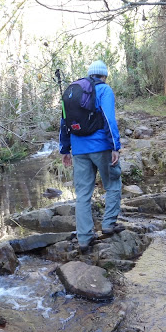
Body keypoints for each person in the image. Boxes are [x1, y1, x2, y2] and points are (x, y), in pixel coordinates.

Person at [59, 60, 124, 252]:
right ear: (104, 76)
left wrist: (65, 149)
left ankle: (84, 239)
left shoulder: (74, 92)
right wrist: (115, 147)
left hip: (78, 149)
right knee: (113, 183)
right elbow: (109, 119)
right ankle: (108, 224)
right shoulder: (104, 90)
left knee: (83, 195)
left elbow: (64, 121)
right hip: (101, 146)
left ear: (90, 74)